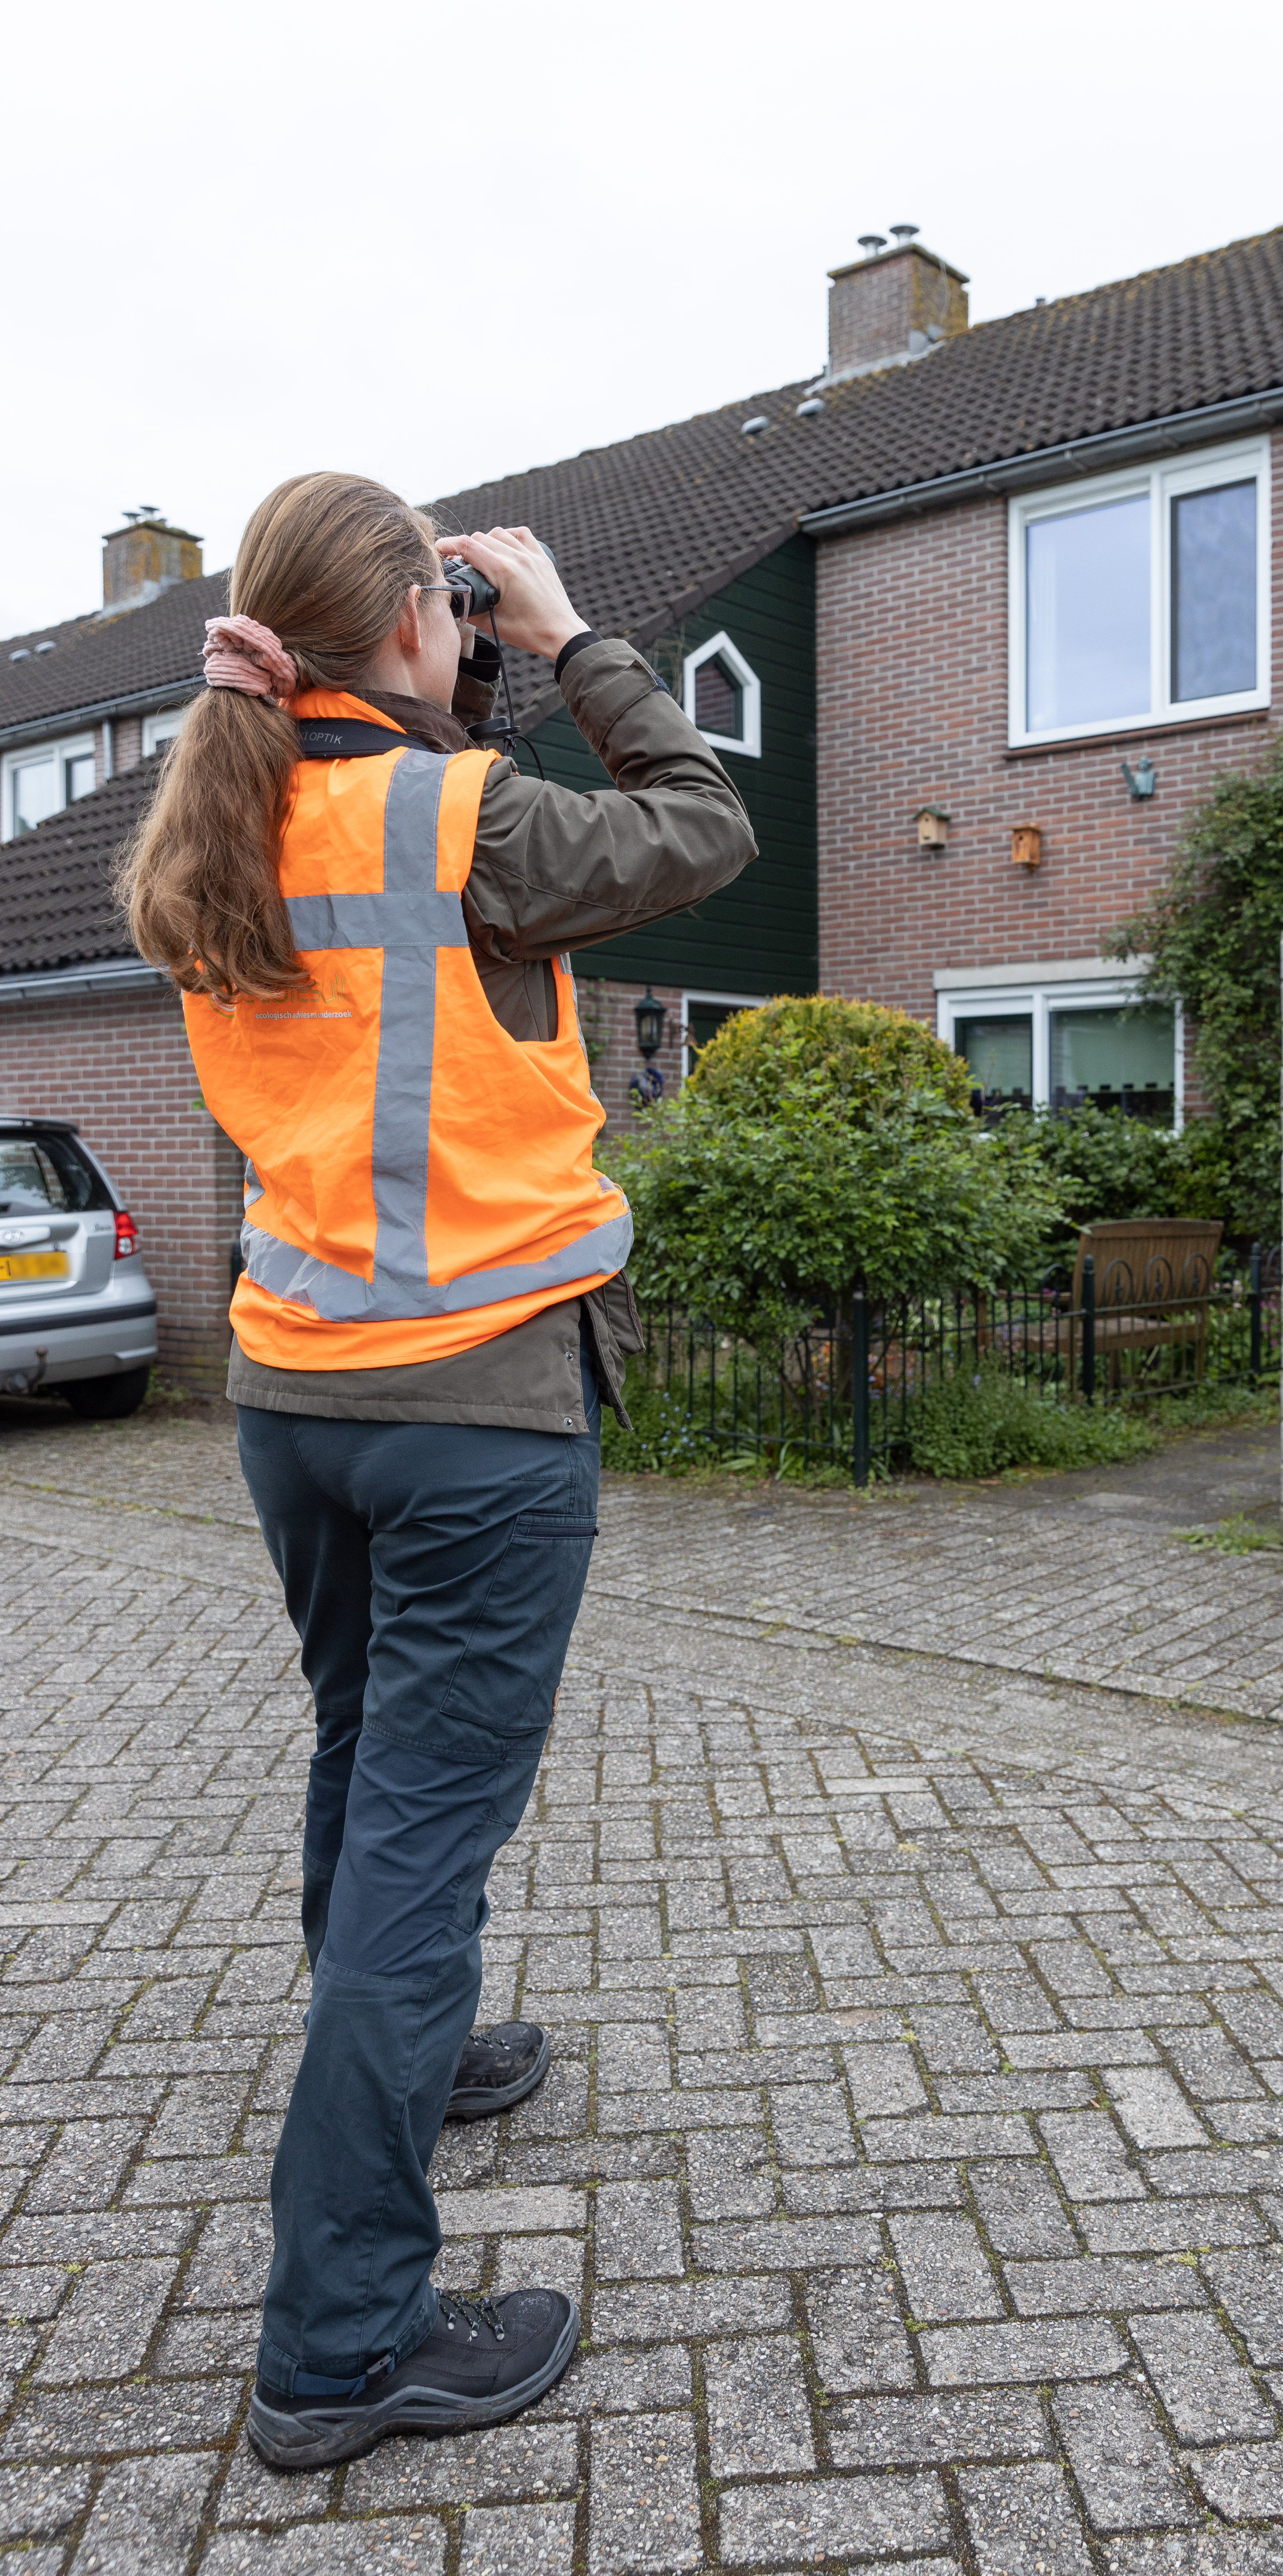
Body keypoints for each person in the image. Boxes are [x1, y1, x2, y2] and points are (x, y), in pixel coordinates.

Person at [122, 471, 755, 2468]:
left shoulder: (213, 823)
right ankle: (341, 2343)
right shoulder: (454, 814)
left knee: (357, 1756)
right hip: (477, 1406)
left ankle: (414, 2045)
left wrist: (450, 672)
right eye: (447, 609)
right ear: (411, 621)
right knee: (421, 1844)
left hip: (295, 1397)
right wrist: (566, 634)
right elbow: (707, 825)